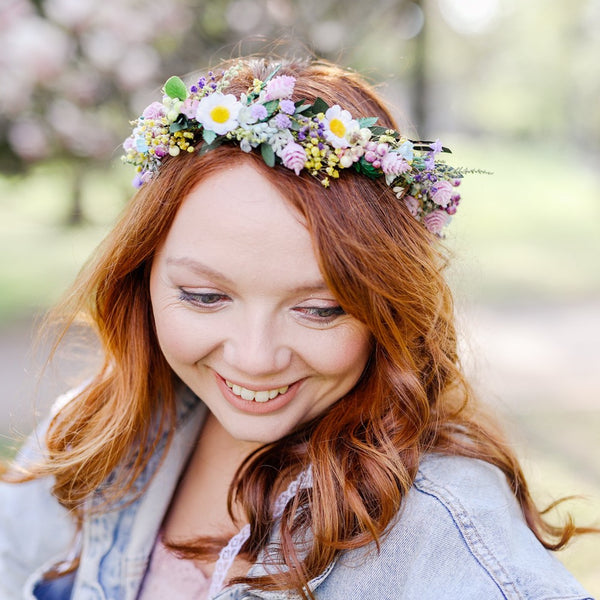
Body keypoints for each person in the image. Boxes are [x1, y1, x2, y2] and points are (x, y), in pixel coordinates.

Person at [0, 56, 595, 600]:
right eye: (205, 296)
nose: (256, 358)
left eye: (320, 309)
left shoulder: (441, 525)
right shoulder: (94, 435)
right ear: (141, 280)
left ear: (386, 308)